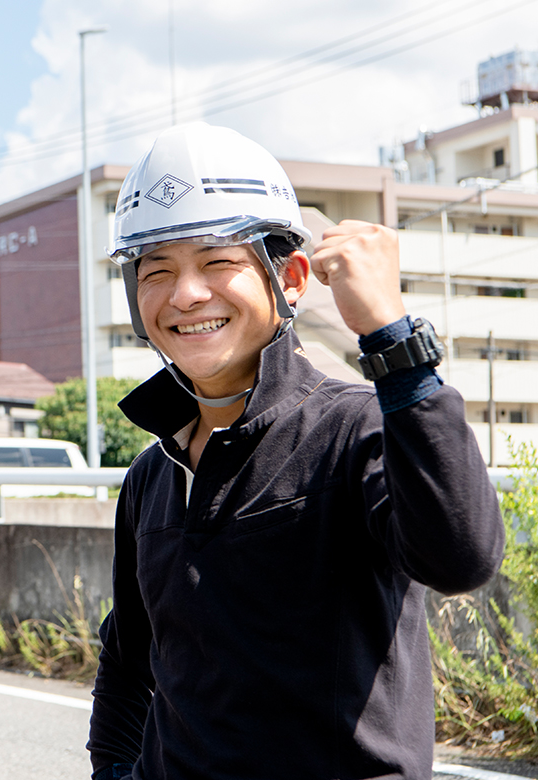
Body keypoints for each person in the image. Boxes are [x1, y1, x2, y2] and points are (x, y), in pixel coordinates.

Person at [86, 122, 505, 780]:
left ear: (292, 278)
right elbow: (128, 659)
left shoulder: (354, 431)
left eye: (218, 262)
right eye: (156, 270)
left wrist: (394, 346)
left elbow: (461, 557)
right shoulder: (152, 475)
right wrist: (111, 771)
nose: (186, 293)